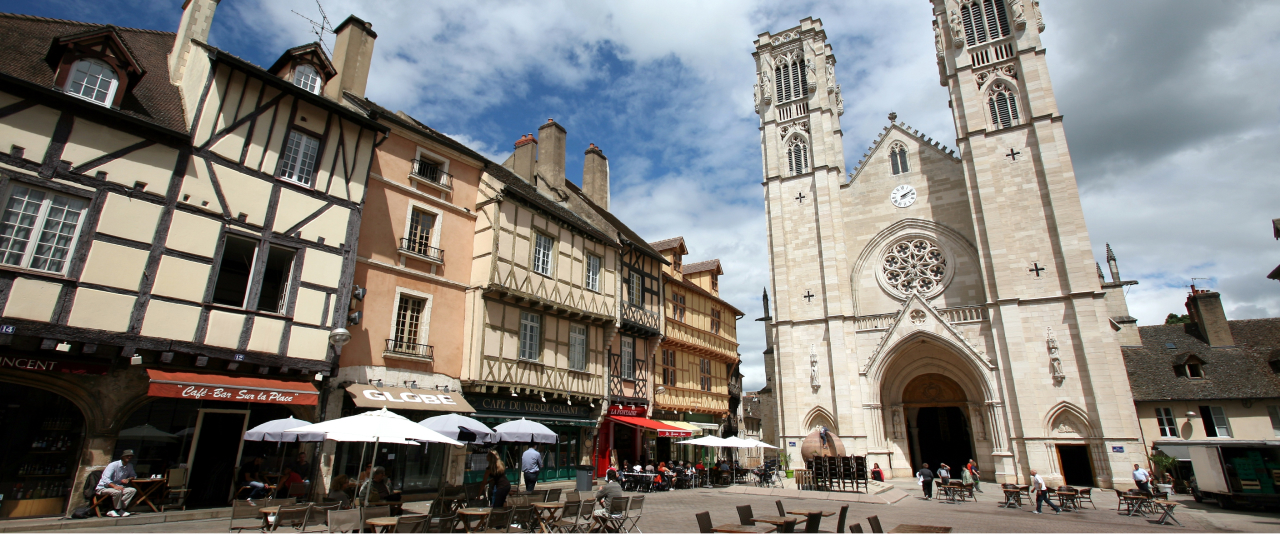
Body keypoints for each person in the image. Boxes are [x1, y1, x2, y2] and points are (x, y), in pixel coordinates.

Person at [95, 450, 138, 517]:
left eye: (131, 456)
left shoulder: (130, 466)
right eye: (127, 456)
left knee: (132, 490)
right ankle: (114, 509)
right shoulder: (113, 465)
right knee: (117, 492)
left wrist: (128, 479)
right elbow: (105, 478)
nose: (129, 457)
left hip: (118, 486)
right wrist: (114, 486)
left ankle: (117, 509)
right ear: (123, 457)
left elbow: (134, 475)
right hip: (104, 487)